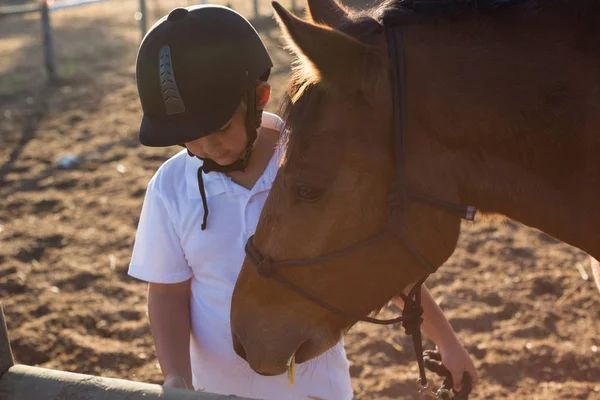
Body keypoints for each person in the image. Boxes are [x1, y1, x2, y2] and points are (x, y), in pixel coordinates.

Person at [128, 5, 478, 399]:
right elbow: (168, 294)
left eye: (220, 128)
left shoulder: (317, 172)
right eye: (189, 136)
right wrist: (176, 377)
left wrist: (447, 342)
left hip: (316, 392)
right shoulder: (170, 188)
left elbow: (384, 271)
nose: (207, 146)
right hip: (214, 392)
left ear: (260, 97)